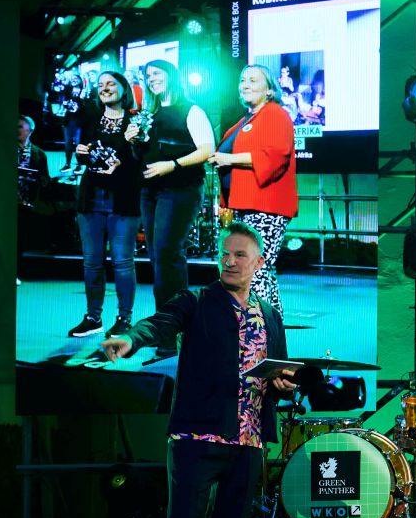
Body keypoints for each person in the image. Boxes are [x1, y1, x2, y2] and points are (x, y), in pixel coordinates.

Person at [100, 222, 295, 518]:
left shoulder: (270, 315)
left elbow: (278, 371)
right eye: (225, 254)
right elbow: (160, 323)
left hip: (247, 440)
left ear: (258, 263)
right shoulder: (197, 300)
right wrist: (131, 339)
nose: (230, 261)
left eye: (239, 255)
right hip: (197, 436)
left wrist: (282, 382)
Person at [212, 65, 297, 316]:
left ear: (269, 89)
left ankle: (256, 329)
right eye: (242, 80)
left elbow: (275, 155)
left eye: (253, 80)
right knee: (259, 269)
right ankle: (271, 326)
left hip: (265, 206)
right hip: (243, 206)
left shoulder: (276, 115)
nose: (245, 85)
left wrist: (229, 159)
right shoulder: (246, 121)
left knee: (253, 268)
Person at [68, 70, 145, 338]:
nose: (105, 88)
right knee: (92, 262)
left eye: (111, 83)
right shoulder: (90, 119)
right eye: (101, 84)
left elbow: (138, 159)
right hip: (91, 199)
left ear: (124, 89)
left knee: (122, 262)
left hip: (123, 200)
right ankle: (93, 318)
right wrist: (80, 153)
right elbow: (86, 156)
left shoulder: (136, 122)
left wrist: (130, 144)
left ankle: (124, 319)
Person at [138, 60, 216, 311]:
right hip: (150, 191)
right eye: (148, 75)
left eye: (156, 73)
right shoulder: (149, 114)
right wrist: (132, 140)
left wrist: (172, 165)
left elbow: (207, 150)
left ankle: (174, 320)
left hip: (180, 189)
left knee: (167, 253)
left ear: (171, 75)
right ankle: (168, 318)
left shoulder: (191, 110)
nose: (151, 78)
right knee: (157, 255)